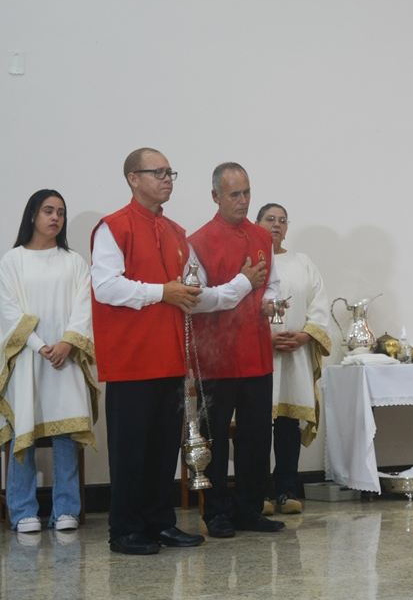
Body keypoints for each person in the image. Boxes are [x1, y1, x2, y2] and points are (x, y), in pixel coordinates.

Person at [91, 148, 264, 555]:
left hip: (171, 357)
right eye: (158, 172)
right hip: (131, 359)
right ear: (134, 178)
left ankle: (159, 522)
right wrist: (162, 292)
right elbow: (105, 286)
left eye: (171, 172)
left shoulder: (174, 232)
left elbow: (192, 295)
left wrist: (238, 285)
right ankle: (125, 529)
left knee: (162, 447)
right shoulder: (113, 227)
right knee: (131, 448)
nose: (167, 179)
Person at [189, 163, 284, 538]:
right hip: (217, 355)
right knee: (213, 437)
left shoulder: (261, 236)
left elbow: (272, 283)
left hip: (256, 351)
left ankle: (249, 508)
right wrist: (244, 284)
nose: (243, 200)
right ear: (216, 196)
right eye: (234, 194)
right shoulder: (198, 242)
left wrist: (270, 302)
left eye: (246, 193)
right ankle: (215, 512)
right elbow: (198, 300)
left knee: (257, 435)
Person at [0, 190, 98, 534]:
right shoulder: (12, 260)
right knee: (22, 428)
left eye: (60, 212)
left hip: (65, 359)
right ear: (33, 215)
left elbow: (84, 306)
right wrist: (40, 345)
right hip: (28, 358)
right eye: (48, 211)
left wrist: (67, 343)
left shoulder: (73, 262)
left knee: (66, 431)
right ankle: (23, 509)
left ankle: (66, 508)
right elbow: (8, 310)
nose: (55, 217)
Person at [256, 203, 331, 515]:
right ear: (257, 224)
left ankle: (286, 490)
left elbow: (318, 304)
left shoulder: (302, 263)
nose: (277, 224)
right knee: (258, 427)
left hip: (294, 356)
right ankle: (259, 493)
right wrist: (264, 339)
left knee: (287, 425)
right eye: (270, 219)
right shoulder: (249, 262)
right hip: (258, 354)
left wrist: (304, 336)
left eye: (282, 220)